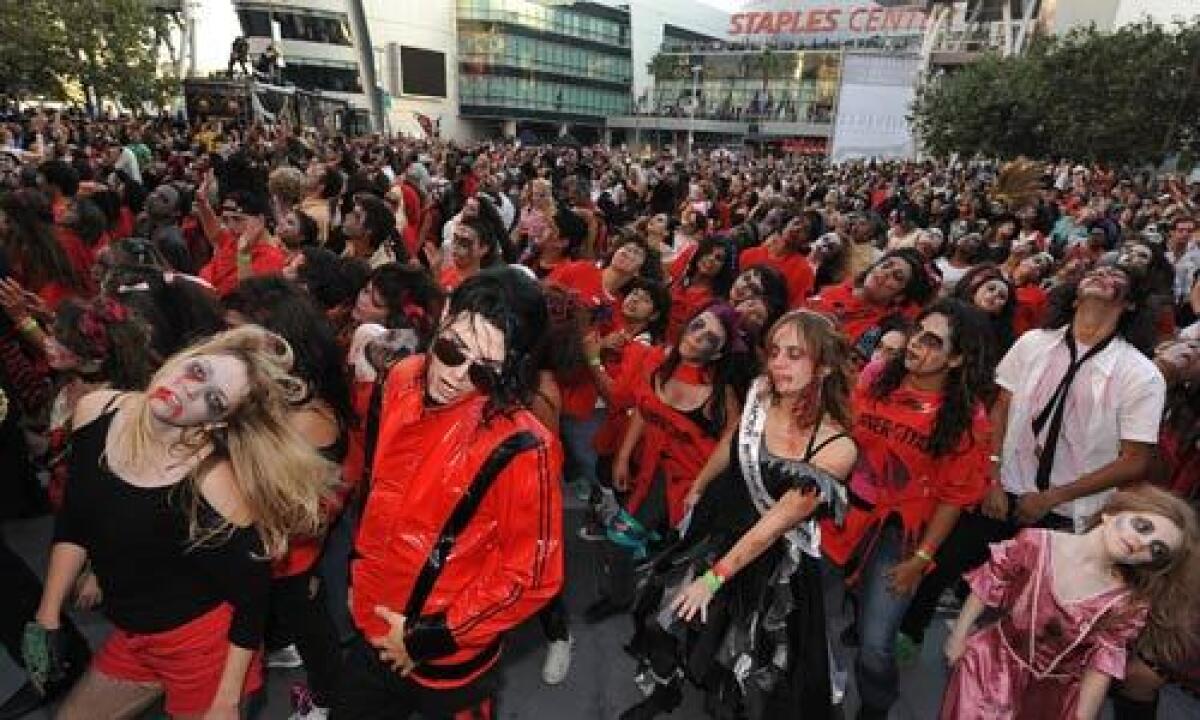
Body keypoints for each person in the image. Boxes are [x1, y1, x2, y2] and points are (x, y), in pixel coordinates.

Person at [30, 327, 336, 719]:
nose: (190, 391)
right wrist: (48, 613)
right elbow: (76, 518)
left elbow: (252, 599)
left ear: (216, 422)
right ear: (183, 357)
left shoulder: (214, 482)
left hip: (203, 651)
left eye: (214, 399)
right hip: (133, 635)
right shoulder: (97, 410)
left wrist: (227, 699)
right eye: (197, 372)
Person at [896, 263, 1165, 668]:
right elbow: (1000, 408)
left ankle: (1000, 671)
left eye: (1117, 277)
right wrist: (992, 476)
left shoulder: (1140, 374)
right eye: (1097, 270)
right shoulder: (1033, 342)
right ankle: (911, 630)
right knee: (945, 560)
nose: (1103, 273)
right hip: (1004, 484)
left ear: (1129, 305)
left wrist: (1053, 497)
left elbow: (1134, 461)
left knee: (1031, 603)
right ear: (1074, 296)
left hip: (1068, 510)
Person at [336, 268, 564, 719]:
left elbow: (532, 576)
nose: (458, 376)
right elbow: (376, 487)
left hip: (449, 654)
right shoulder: (400, 378)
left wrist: (425, 638)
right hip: (373, 619)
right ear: (441, 321)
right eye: (451, 350)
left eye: (483, 370)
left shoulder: (523, 445)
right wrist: (358, 573)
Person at [622, 311, 858, 720]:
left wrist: (713, 579)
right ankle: (666, 690)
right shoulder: (762, 390)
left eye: (794, 354)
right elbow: (734, 440)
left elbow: (774, 525)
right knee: (663, 619)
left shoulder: (837, 448)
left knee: (740, 655)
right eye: (774, 351)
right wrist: (699, 486)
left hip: (770, 562)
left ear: (823, 366)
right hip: (718, 523)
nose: (778, 363)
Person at [820, 299, 996, 720]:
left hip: (900, 534)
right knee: (812, 610)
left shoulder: (967, 418)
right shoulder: (880, 375)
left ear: (956, 359)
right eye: (918, 332)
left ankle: (876, 707)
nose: (916, 344)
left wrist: (920, 560)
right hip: (839, 510)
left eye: (932, 341)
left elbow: (954, 498)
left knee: (876, 641)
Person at [941, 486, 1200, 720]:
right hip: (989, 665)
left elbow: (1102, 666)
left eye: (1156, 550)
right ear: (1113, 512)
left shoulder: (1126, 604)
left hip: (1050, 698)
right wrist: (959, 635)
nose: (1142, 543)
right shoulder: (1035, 542)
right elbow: (992, 578)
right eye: (1143, 526)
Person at [806, 248, 933, 349]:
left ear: (900, 297)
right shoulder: (839, 289)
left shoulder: (882, 328)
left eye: (897, 276)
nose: (886, 273)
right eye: (886, 265)